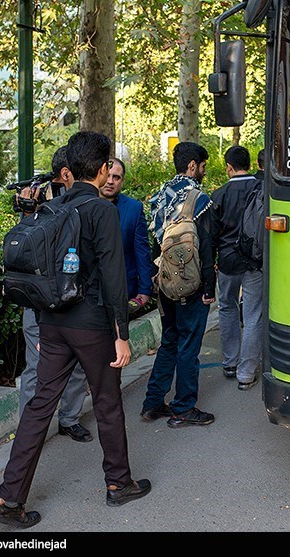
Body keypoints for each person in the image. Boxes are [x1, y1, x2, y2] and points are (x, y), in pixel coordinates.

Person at [0, 131, 150, 528]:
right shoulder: (101, 210)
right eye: (109, 164)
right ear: (100, 169)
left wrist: (43, 329)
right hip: (92, 326)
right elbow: (114, 278)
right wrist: (122, 333)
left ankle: (8, 500)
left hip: (54, 323)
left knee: (39, 407)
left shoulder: (55, 207)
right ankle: (118, 484)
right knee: (108, 404)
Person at [139, 141, 217, 428]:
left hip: (165, 281)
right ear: (193, 165)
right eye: (203, 166)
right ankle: (183, 408)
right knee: (189, 344)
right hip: (191, 283)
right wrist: (209, 288)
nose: (204, 172)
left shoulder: (160, 195)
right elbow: (207, 246)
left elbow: (153, 243)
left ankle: (152, 403)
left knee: (169, 340)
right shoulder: (198, 198)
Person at [18, 146, 93, 444]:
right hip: (39, 301)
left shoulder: (85, 206)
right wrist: (28, 212)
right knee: (36, 366)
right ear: (66, 174)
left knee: (76, 363)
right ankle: (28, 429)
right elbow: (21, 249)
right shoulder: (40, 206)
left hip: (72, 298)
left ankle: (70, 418)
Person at [211, 145, 265, 390]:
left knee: (227, 307)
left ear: (228, 168)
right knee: (253, 314)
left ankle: (230, 362)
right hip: (254, 260)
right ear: (250, 164)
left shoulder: (219, 194)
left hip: (227, 261)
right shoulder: (260, 188)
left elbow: (211, 234)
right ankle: (246, 373)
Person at [99, 157, 153, 314]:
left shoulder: (134, 208)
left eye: (116, 177)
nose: (110, 181)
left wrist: (144, 290)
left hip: (123, 291)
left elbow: (142, 252)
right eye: (107, 176)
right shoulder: (84, 204)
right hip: (89, 293)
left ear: (122, 181)